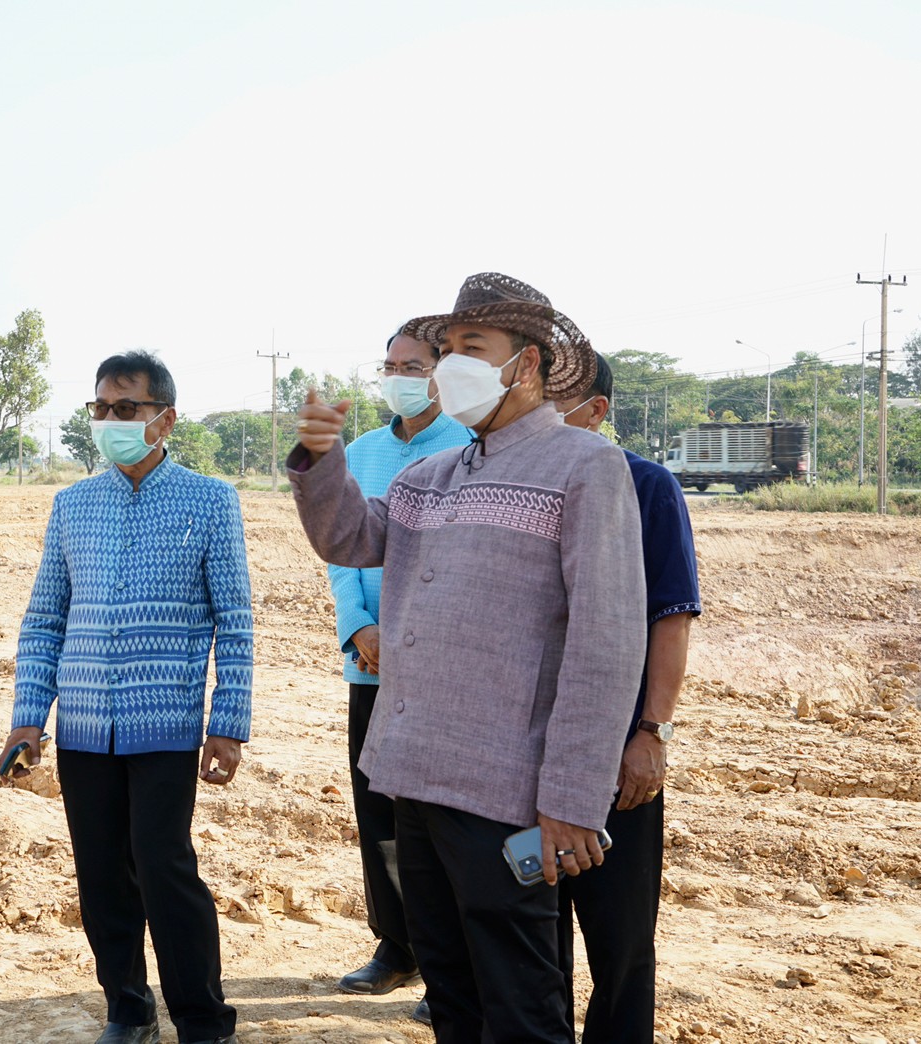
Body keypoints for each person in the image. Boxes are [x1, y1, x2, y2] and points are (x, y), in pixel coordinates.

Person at [286, 272, 647, 1042]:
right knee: (451, 990)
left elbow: (606, 640)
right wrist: (320, 461)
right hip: (414, 773)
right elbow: (350, 538)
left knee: (519, 1002)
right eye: (445, 349)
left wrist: (575, 799)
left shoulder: (584, 467)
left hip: (506, 790)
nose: (450, 365)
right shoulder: (432, 474)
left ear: (528, 364)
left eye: (470, 349)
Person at [0, 350, 251, 1044]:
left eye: (125, 409)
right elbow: (44, 618)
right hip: (82, 726)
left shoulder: (210, 500)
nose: (108, 421)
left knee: (167, 870)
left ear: (164, 419)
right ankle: (128, 1007)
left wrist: (227, 724)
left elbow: (235, 621)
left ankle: (203, 1020)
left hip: (165, 725)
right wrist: (28, 717)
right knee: (102, 876)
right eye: (100, 409)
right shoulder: (73, 504)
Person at [552, 356, 701, 1042]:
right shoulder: (508, 482)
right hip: (519, 749)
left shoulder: (648, 487)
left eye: (562, 399)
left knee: (620, 939)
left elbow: (669, 619)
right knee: (529, 936)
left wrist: (652, 734)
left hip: (615, 756)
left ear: (597, 410)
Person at [328, 328, 470, 1025]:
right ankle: (397, 945)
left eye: (413, 366)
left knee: (438, 818)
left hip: (443, 665)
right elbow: (340, 554)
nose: (399, 377)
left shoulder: (467, 447)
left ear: (444, 376)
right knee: (377, 810)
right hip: (372, 662)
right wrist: (358, 626)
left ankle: (449, 965)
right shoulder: (361, 454)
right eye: (390, 366)